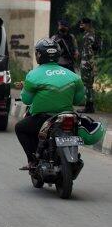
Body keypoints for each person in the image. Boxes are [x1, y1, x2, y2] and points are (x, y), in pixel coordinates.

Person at [15, 38, 85, 170]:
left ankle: (33, 161)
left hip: (43, 119)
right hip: (68, 117)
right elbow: (79, 100)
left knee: (20, 127)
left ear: (39, 55)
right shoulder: (74, 76)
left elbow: (26, 100)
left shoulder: (33, 75)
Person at [79, 17, 101, 113]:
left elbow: (89, 52)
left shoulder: (87, 36)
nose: (81, 26)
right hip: (93, 62)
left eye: (82, 24)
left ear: (87, 25)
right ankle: (90, 106)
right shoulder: (95, 34)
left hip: (87, 64)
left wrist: (92, 65)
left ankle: (88, 107)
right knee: (89, 85)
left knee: (87, 85)